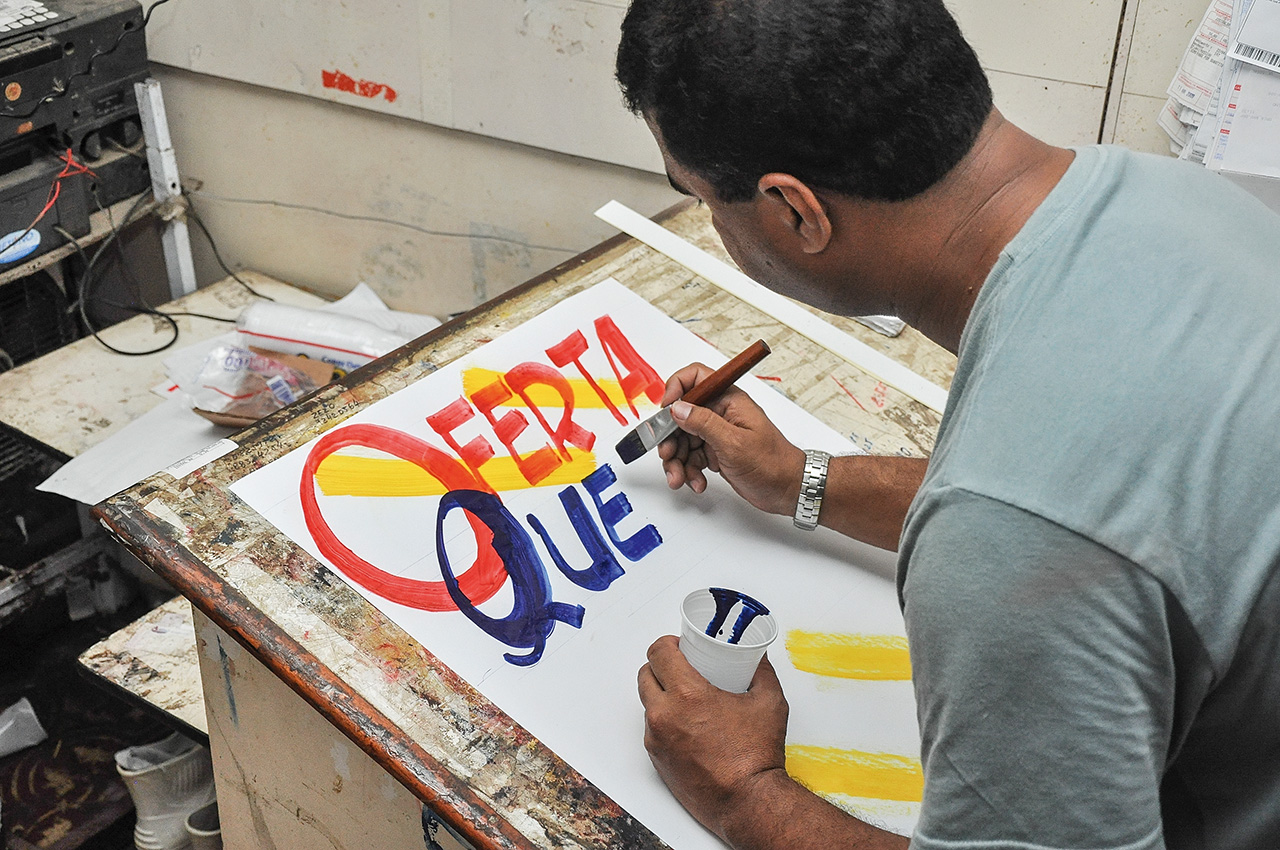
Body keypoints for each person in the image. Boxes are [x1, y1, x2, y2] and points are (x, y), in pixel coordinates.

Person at [615, 1, 1280, 849]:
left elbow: (1038, 522)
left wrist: (743, 793)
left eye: (702, 198)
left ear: (795, 212)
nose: (712, 224)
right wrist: (802, 480)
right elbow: (1119, 506)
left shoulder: (1002, 535)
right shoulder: (1163, 195)